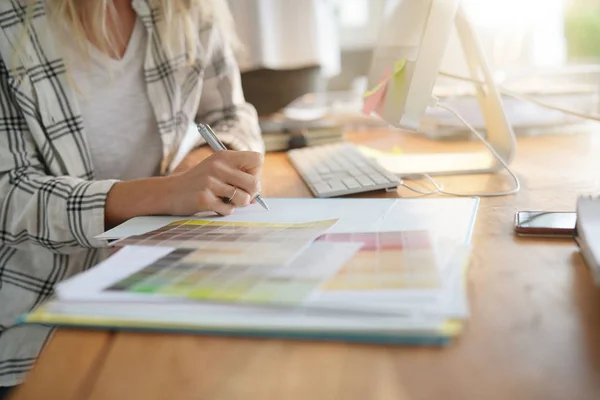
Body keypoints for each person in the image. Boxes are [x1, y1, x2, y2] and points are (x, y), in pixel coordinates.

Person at [0, 0, 264, 395]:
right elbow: (8, 195)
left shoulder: (190, 9)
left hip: (162, 280)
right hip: (33, 315)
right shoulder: (11, 24)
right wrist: (165, 193)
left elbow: (231, 113)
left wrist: (206, 161)